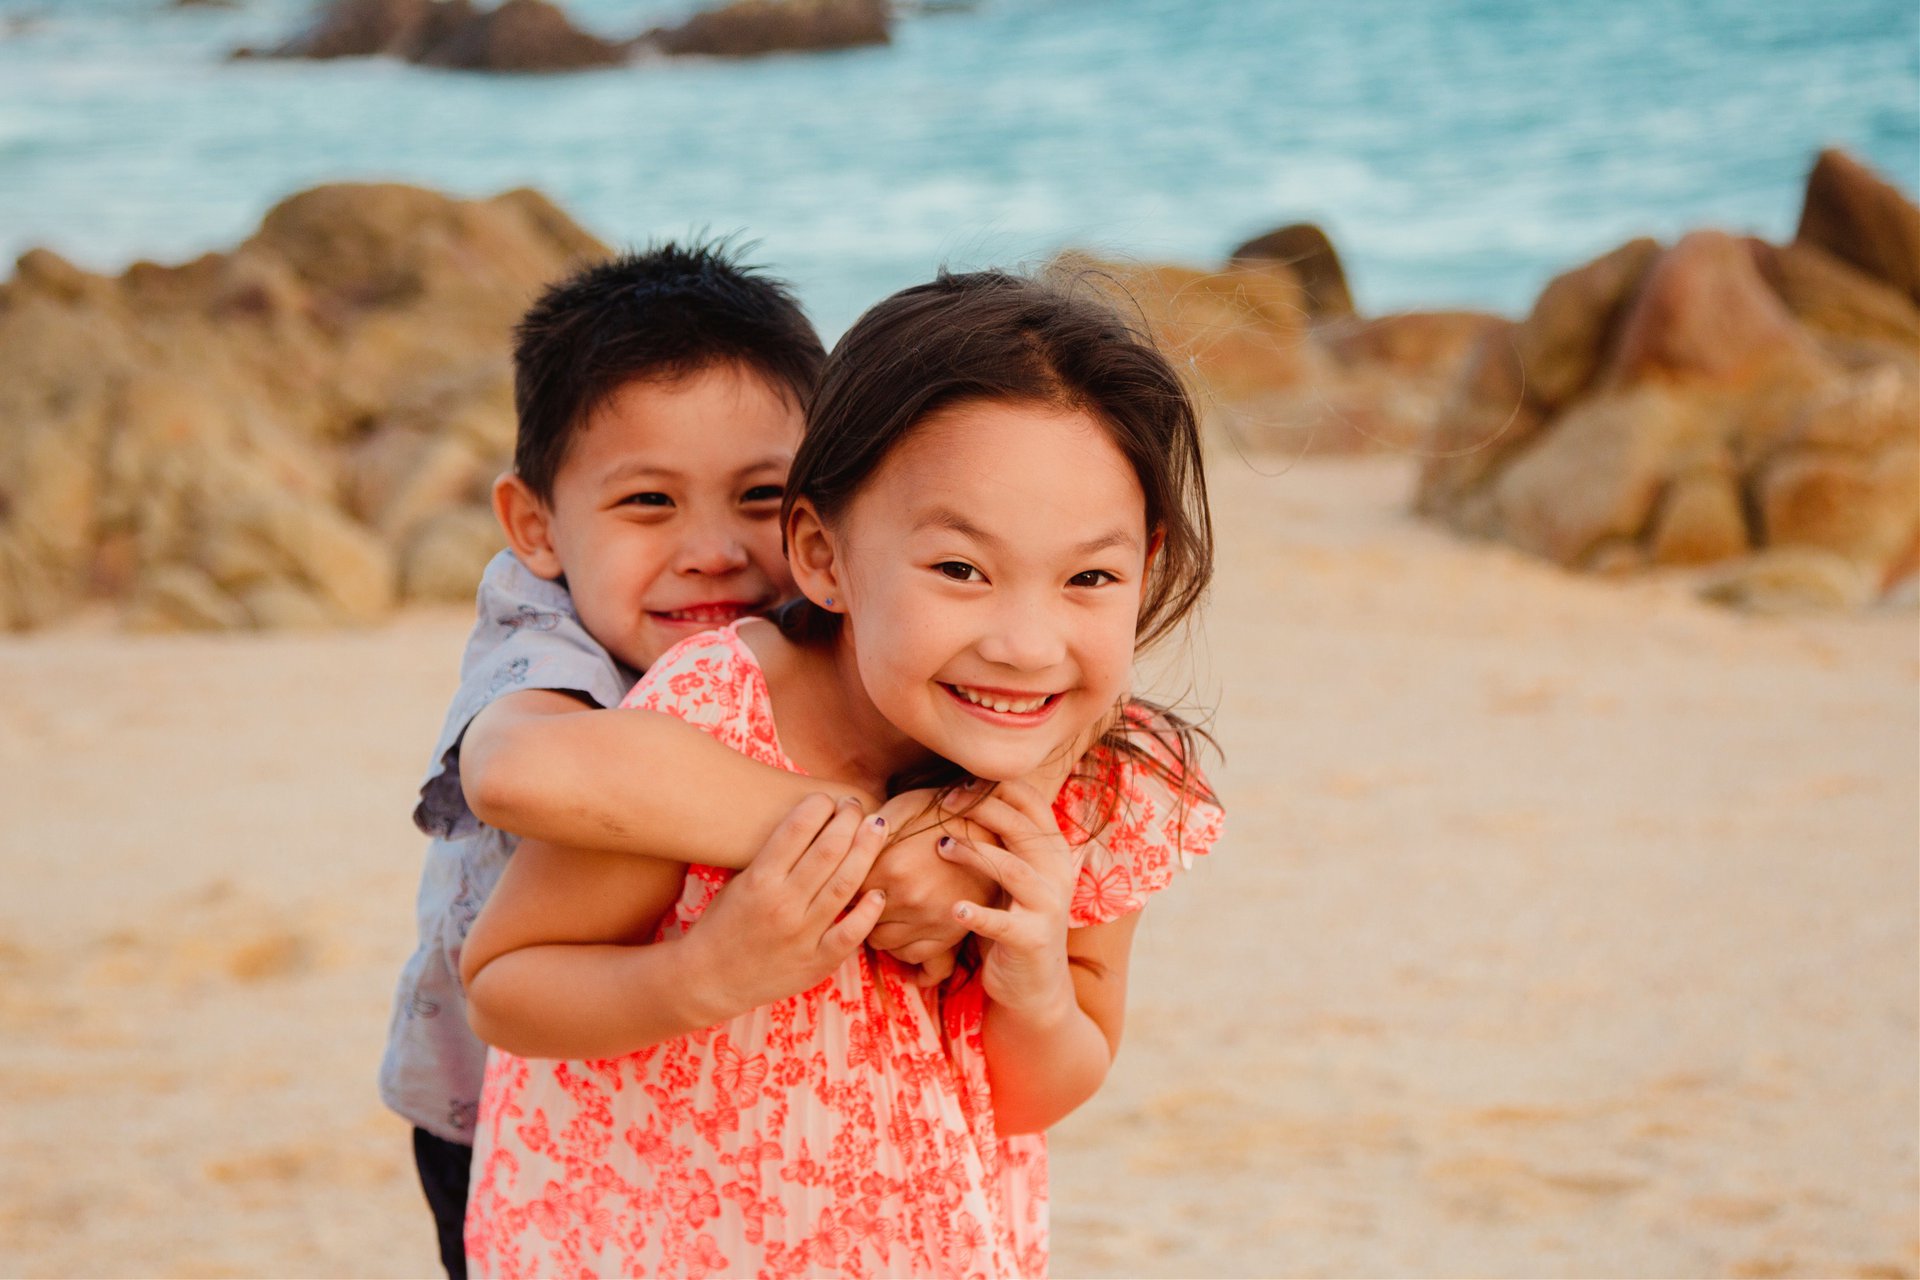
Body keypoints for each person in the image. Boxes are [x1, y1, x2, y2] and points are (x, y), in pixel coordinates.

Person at [458, 268, 1226, 1279]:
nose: (1027, 644)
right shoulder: (713, 721)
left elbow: (1034, 1097)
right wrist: (701, 975)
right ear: (822, 555)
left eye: (1090, 577)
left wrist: (1035, 985)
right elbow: (503, 988)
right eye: (960, 569)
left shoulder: (1098, 783)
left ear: (1147, 566)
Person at [379, 242, 987, 1279]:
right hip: (503, 1102)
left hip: (714, 1107)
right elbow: (523, 772)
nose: (713, 550)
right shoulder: (547, 630)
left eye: (760, 497)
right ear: (536, 525)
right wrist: (865, 842)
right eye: (649, 503)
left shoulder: (827, 625)